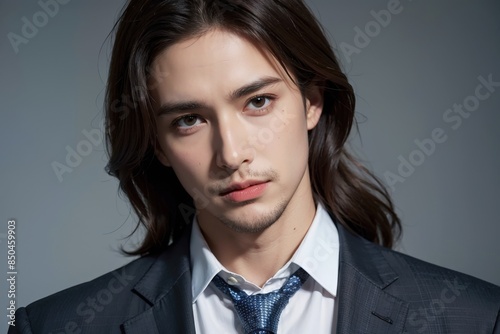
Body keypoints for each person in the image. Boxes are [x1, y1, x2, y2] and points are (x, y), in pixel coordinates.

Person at [9, 0, 499, 333]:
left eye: (258, 101)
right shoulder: (57, 325)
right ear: (156, 143)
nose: (231, 153)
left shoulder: (474, 319)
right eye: (189, 119)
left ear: (312, 102)